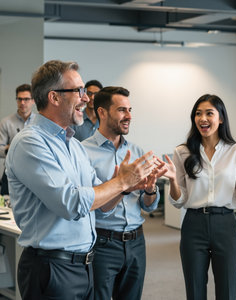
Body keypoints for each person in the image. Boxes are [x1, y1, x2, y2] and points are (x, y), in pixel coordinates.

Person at [5, 60, 155, 300]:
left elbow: (102, 207)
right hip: (52, 268)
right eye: (79, 91)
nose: (87, 99)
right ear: (54, 97)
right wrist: (120, 183)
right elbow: (71, 204)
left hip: (84, 266)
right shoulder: (30, 142)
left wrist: (126, 187)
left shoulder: (73, 145)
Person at [163, 94, 236, 300]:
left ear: (220, 119)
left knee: (227, 291)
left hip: (225, 223)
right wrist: (173, 181)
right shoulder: (182, 152)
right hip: (194, 223)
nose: (203, 119)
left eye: (209, 113)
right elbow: (179, 200)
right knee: (194, 290)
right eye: (198, 114)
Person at [82, 86, 166, 300]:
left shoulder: (136, 151)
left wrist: (150, 189)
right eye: (121, 110)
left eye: (130, 110)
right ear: (102, 112)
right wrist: (122, 186)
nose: (128, 116)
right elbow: (93, 207)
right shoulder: (83, 152)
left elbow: (148, 205)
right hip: (103, 242)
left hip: (137, 241)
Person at [0, 84, 35, 195]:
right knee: (5, 206)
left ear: (33, 100)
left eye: (26, 99)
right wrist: (11, 148)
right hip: (10, 171)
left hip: (34, 171)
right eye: (19, 99)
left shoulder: (39, 122)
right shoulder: (6, 122)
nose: (22, 103)